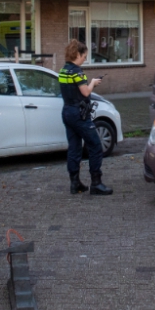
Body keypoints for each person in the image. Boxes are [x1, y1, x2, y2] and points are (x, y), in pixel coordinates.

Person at [59, 40, 112, 196]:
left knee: (74, 148)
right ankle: (96, 183)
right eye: (84, 56)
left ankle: (75, 183)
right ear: (77, 54)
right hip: (79, 114)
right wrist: (93, 83)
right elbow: (85, 92)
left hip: (67, 112)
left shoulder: (63, 71)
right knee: (95, 145)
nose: (85, 59)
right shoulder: (77, 72)